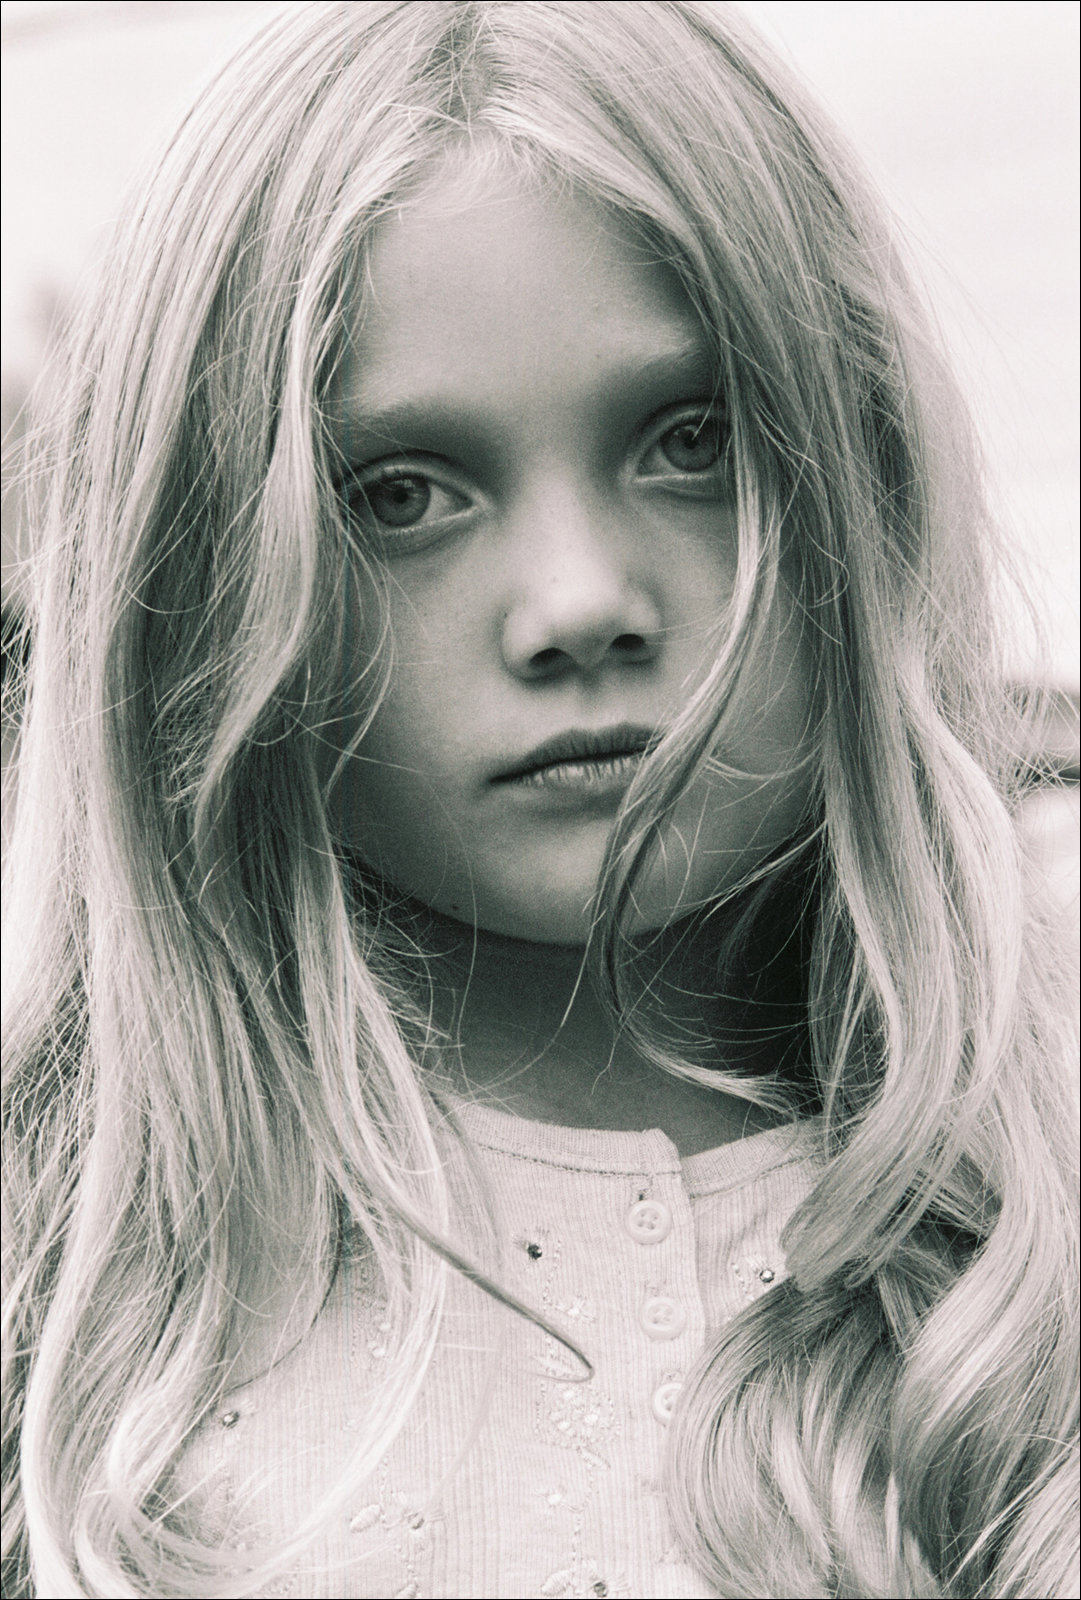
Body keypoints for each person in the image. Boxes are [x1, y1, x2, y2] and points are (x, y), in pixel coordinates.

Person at [2, 3, 1076, 1596]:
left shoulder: (1029, 1243)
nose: (579, 602)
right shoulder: (75, 1311)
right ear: (200, 581)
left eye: (691, 443)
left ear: (864, 473)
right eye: (401, 494)